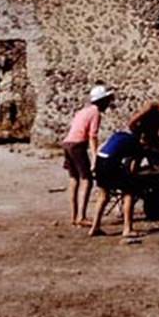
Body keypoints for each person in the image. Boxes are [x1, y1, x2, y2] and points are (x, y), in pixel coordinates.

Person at [62, 84, 114, 226]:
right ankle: (82, 217)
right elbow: (92, 136)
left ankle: (74, 216)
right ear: (102, 101)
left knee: (74, 179)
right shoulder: (95, 113)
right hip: (78, 145)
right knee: (87, 180)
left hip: (67, 143)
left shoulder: (83, 111)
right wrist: (95, 158)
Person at [88, 130, 144, 238]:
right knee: (129, 193)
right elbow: (133, 169)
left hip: (100, 159)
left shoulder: (120, 134)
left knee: (103, 194)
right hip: (111, 161)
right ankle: (127, 229)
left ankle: (95, 227)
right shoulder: (137, 145)